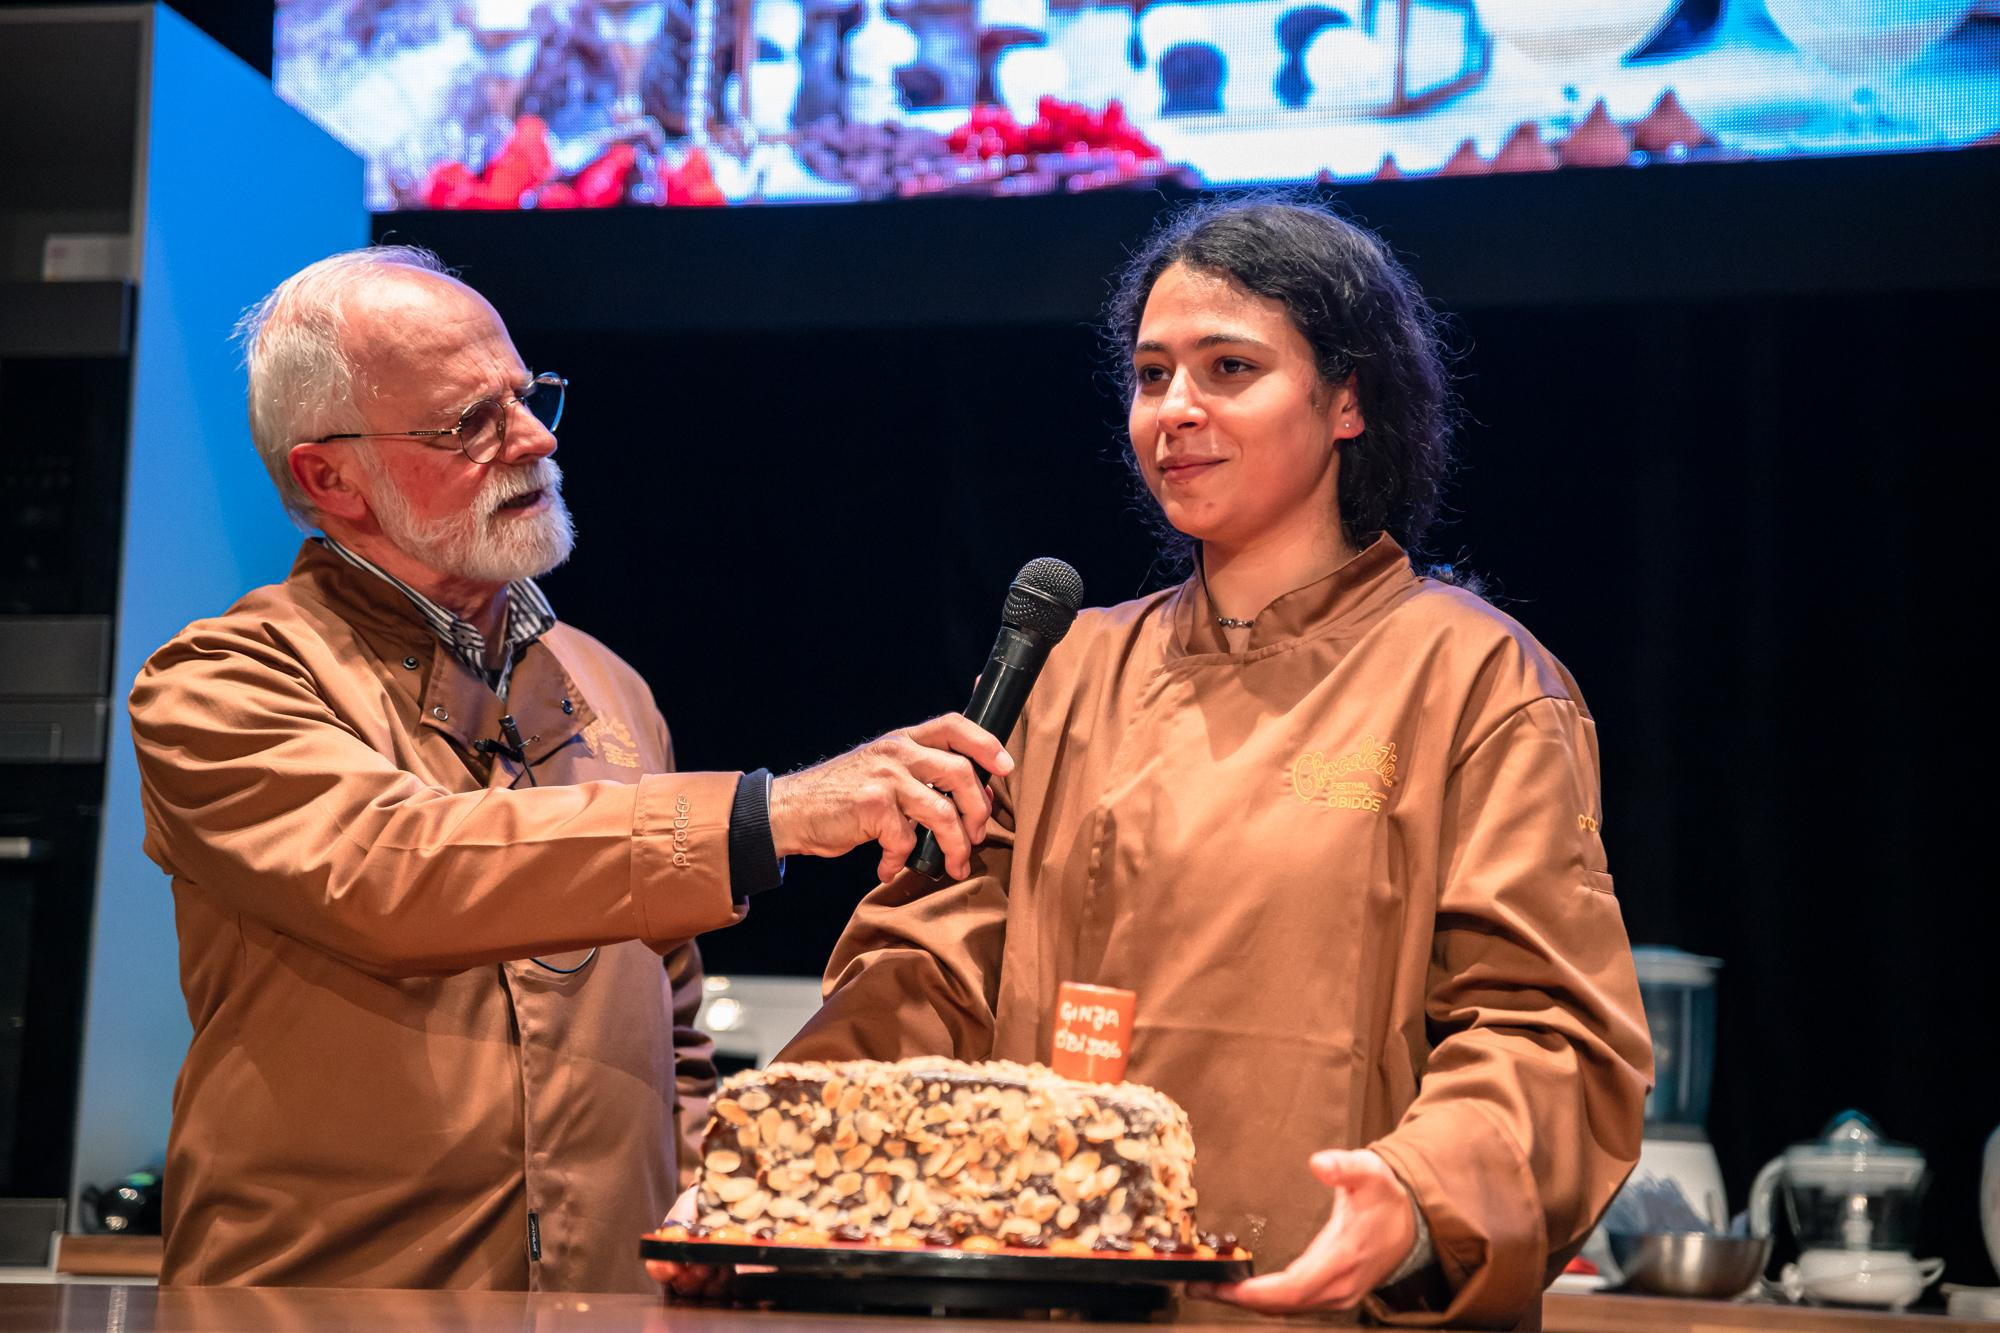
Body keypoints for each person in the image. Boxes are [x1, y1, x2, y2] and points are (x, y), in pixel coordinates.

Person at [745, 199, 1653, 1326]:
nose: (1176, 410)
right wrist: (776, 1135)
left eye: (1229, 367)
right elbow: (928, 971)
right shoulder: (1071, 664)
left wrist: (1421, 1194)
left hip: (1310, 1297)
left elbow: (1546, 1033)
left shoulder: (1472, 677)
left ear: (1349, 399)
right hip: (1040, 1295)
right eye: (1150, 374)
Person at [127, 246, 1009, 1291]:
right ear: (329, 477)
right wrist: (764, 816)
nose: (535, 438)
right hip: (325, 1307)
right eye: (470, 422)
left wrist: (699, 1206)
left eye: (527, 395)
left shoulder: (609, 686)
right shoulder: (217, 684)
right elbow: (395, 868)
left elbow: (672, 1031)